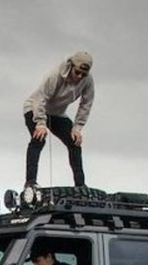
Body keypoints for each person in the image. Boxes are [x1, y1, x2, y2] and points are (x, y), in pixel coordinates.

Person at [23, 51, 96, 188]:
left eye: (83, 74)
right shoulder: (55, 76)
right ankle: (30, 182)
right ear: (71, 66)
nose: (79, 77)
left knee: (74, 142)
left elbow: (86, 104)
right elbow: (40, 99)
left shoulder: (87, 80)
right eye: (77, 72)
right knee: (39, 139)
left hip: (57, 113)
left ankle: (80, 186)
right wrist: (40, 123)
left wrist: (77, 128)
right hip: (35, 108)